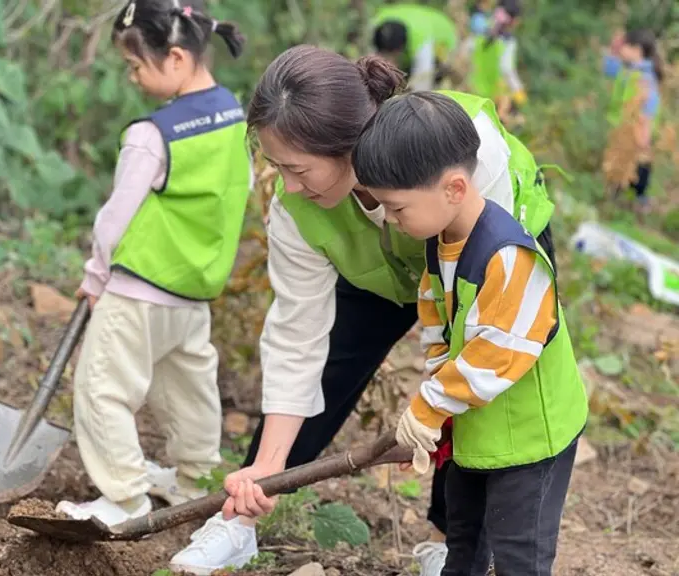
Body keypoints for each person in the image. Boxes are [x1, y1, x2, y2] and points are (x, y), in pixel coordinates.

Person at [169, 45, 560, 576]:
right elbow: (295, 335)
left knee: (474, 385)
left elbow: (481, 341)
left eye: (298, 168)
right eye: (276, 166)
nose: (287, 185)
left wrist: (430, 407)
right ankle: (241, 518)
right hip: (384, 273)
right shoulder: (298, 209)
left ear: (350, 148)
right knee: (328, 368)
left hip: (478, 259)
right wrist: (266, 466)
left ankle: (452, 541)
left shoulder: (458, 151)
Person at [352, 91, 588, 576]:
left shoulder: (509, 257)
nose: (391, 220)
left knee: (519, 554)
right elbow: (437, 316)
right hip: (481, 429)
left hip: (530, 439)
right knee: (464, 540)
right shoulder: (442, 241)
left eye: (397, 208)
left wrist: (430, 405)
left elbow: (496, 351)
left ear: (454, 188)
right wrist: (439, 405)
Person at [54, 0, 251, 526]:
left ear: (177, 58)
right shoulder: (233, 113)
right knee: (190, 392)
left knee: (102, 388)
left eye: (137, 65)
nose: (134, 77)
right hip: (195, 289)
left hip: (137, 287)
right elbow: (241, 189)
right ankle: (195, 482)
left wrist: (96, 274)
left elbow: (115, 218)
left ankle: (123, 497)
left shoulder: (152, 134)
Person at [604, 28, 662, 214]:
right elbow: (607, 68)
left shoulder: (645, 78)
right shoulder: (628, 70)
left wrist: (643, 137)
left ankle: (635, 205)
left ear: (637, 49)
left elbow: (648, 111)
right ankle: (617, 206)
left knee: (634, 170)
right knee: (619, 170)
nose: (622, 50)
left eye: (626, 45)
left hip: (636, 132)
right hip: (622, 130)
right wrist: (614, 47)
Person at [372, 3, 459, 90]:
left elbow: (422, 83)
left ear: (400, 49)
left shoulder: (421, 40)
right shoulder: (377, 22)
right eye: (384, 55)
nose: (388, 62)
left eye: (391, 57)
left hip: (444, 35)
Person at [469, 0, 527, 119]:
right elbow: (507, 70)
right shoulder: (507, 42)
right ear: (515, 21)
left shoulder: (479, 28)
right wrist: (521, 96)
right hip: (490, 99)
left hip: (468, 89)